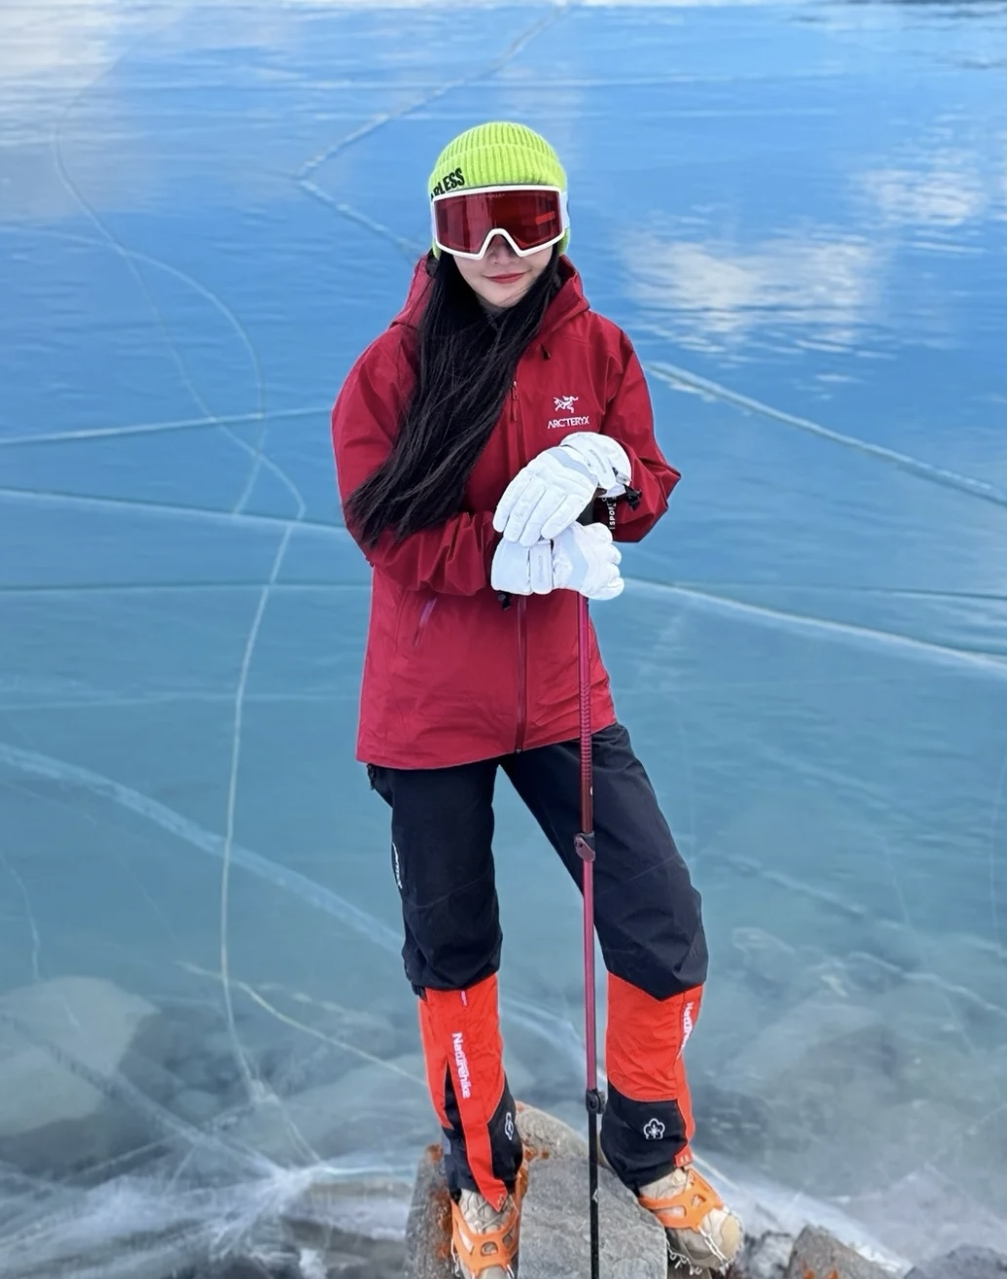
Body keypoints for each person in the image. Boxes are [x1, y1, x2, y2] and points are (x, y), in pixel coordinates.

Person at [332, 122, 741, 1277]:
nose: (503, 251)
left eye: (529, 220)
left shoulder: (597, 348)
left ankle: (646, 1140)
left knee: (660, 917)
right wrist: (506, 555)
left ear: (562, 226)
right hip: (430, 709)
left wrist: (608, 484)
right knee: (453, 946)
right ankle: (484, 1171)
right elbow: (382, 522)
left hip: (562, 694)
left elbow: (648, 483)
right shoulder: (391, 370)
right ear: (439, 235)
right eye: (474, 225)